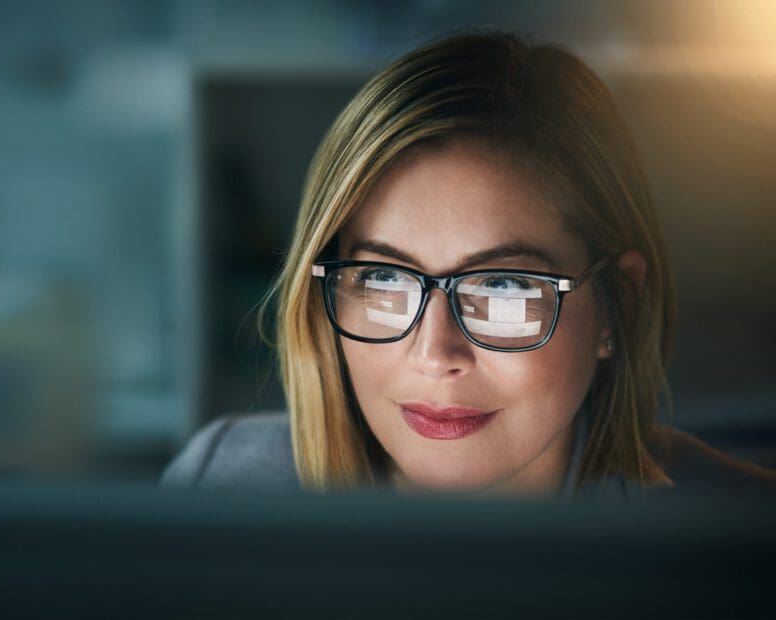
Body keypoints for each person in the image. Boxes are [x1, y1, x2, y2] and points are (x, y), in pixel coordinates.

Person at [162, 30, 776, 498]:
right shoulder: (222, 485)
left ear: (619, 306)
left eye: (504, 285)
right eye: (382, 278)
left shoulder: (738, 532)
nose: (435, 353)